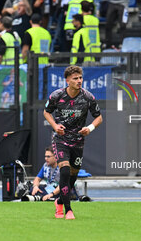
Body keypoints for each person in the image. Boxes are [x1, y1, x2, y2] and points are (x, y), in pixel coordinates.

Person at [44, 65, 102, 219]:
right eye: (75, 78)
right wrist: (55, 126)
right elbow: (46, 112)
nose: (79, 81)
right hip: (60, 139)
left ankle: (59, 201)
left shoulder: (88, 97)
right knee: (64, 170)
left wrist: (89, 128)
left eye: (80, 78)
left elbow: (99, 117)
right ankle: (68, 209)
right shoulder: (57, 96)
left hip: (78, 141)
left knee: (72, 177)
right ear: (67, 80)